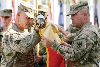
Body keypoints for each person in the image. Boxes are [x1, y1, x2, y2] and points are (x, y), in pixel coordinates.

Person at [42, 1, 100, 67]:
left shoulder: (86, 34)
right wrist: (67, 45)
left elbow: (73, 55)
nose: (71, 18)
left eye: (74, 15)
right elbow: (80, 51)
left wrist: (53, 45)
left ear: (85, 15)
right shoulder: (88, 30)